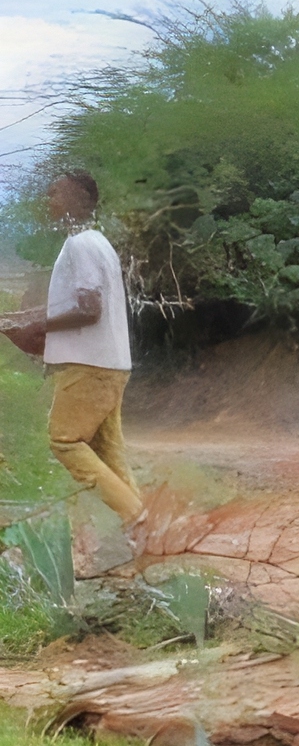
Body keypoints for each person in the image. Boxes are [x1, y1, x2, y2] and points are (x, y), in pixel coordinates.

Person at [3, 167, 142, 555]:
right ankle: (148, 537)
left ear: (81, 200)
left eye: (55, 194)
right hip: (109, 364)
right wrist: (20, 322)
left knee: (65, 442)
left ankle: (136, 518)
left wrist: (36, 326)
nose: (49, 201)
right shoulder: (95, 242)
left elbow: (88, 309)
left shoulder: (81, 245)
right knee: (109, 452)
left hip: (88, 365)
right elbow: (76, 305)